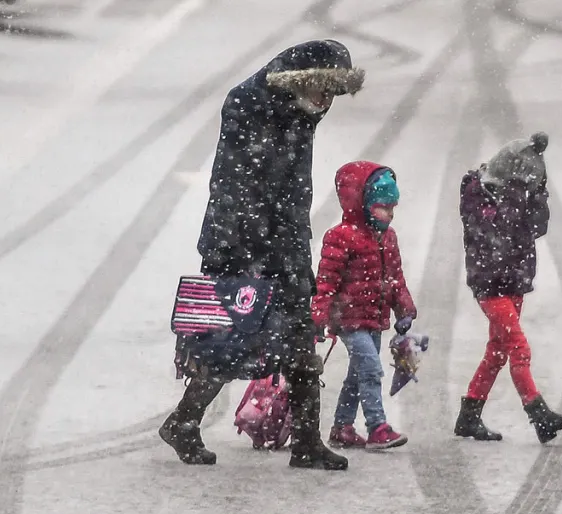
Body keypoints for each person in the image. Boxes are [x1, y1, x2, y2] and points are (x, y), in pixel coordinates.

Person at [159, 39, 365, 470]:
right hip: (245, 247)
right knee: (231, 345)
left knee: (296, 348)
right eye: (323, 89)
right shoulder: (252, 106)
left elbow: (287, 194)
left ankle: (306, 442)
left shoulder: (297, 115)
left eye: (333, 92)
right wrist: (237, 253)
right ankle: (184, 420)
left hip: (281, 247)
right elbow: (234, 187)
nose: (327, 100)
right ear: (303, 81)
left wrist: (294, 256)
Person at [454, 132, 562, 444]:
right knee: (518, 349)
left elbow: (538, 226)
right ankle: (539, 415)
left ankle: (469, 415)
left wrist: (538, 195)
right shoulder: (476, 191)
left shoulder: (520, 195)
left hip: (514, 281)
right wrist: (516, 196)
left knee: (497, 352)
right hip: (490, 286)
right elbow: (496, 228)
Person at [312, 160, 417, 450]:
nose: (390, 215)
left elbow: (395, 277)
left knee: (357, 374)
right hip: (348, 318)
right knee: (370, 368)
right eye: (384, 207)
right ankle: (377, 426)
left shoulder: (387, 237)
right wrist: (319, 316)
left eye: (393, 208)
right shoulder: (340, 237)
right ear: (364, 202)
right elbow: (327, 281)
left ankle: (342, 426)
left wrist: (405, 309)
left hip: (374, 316)